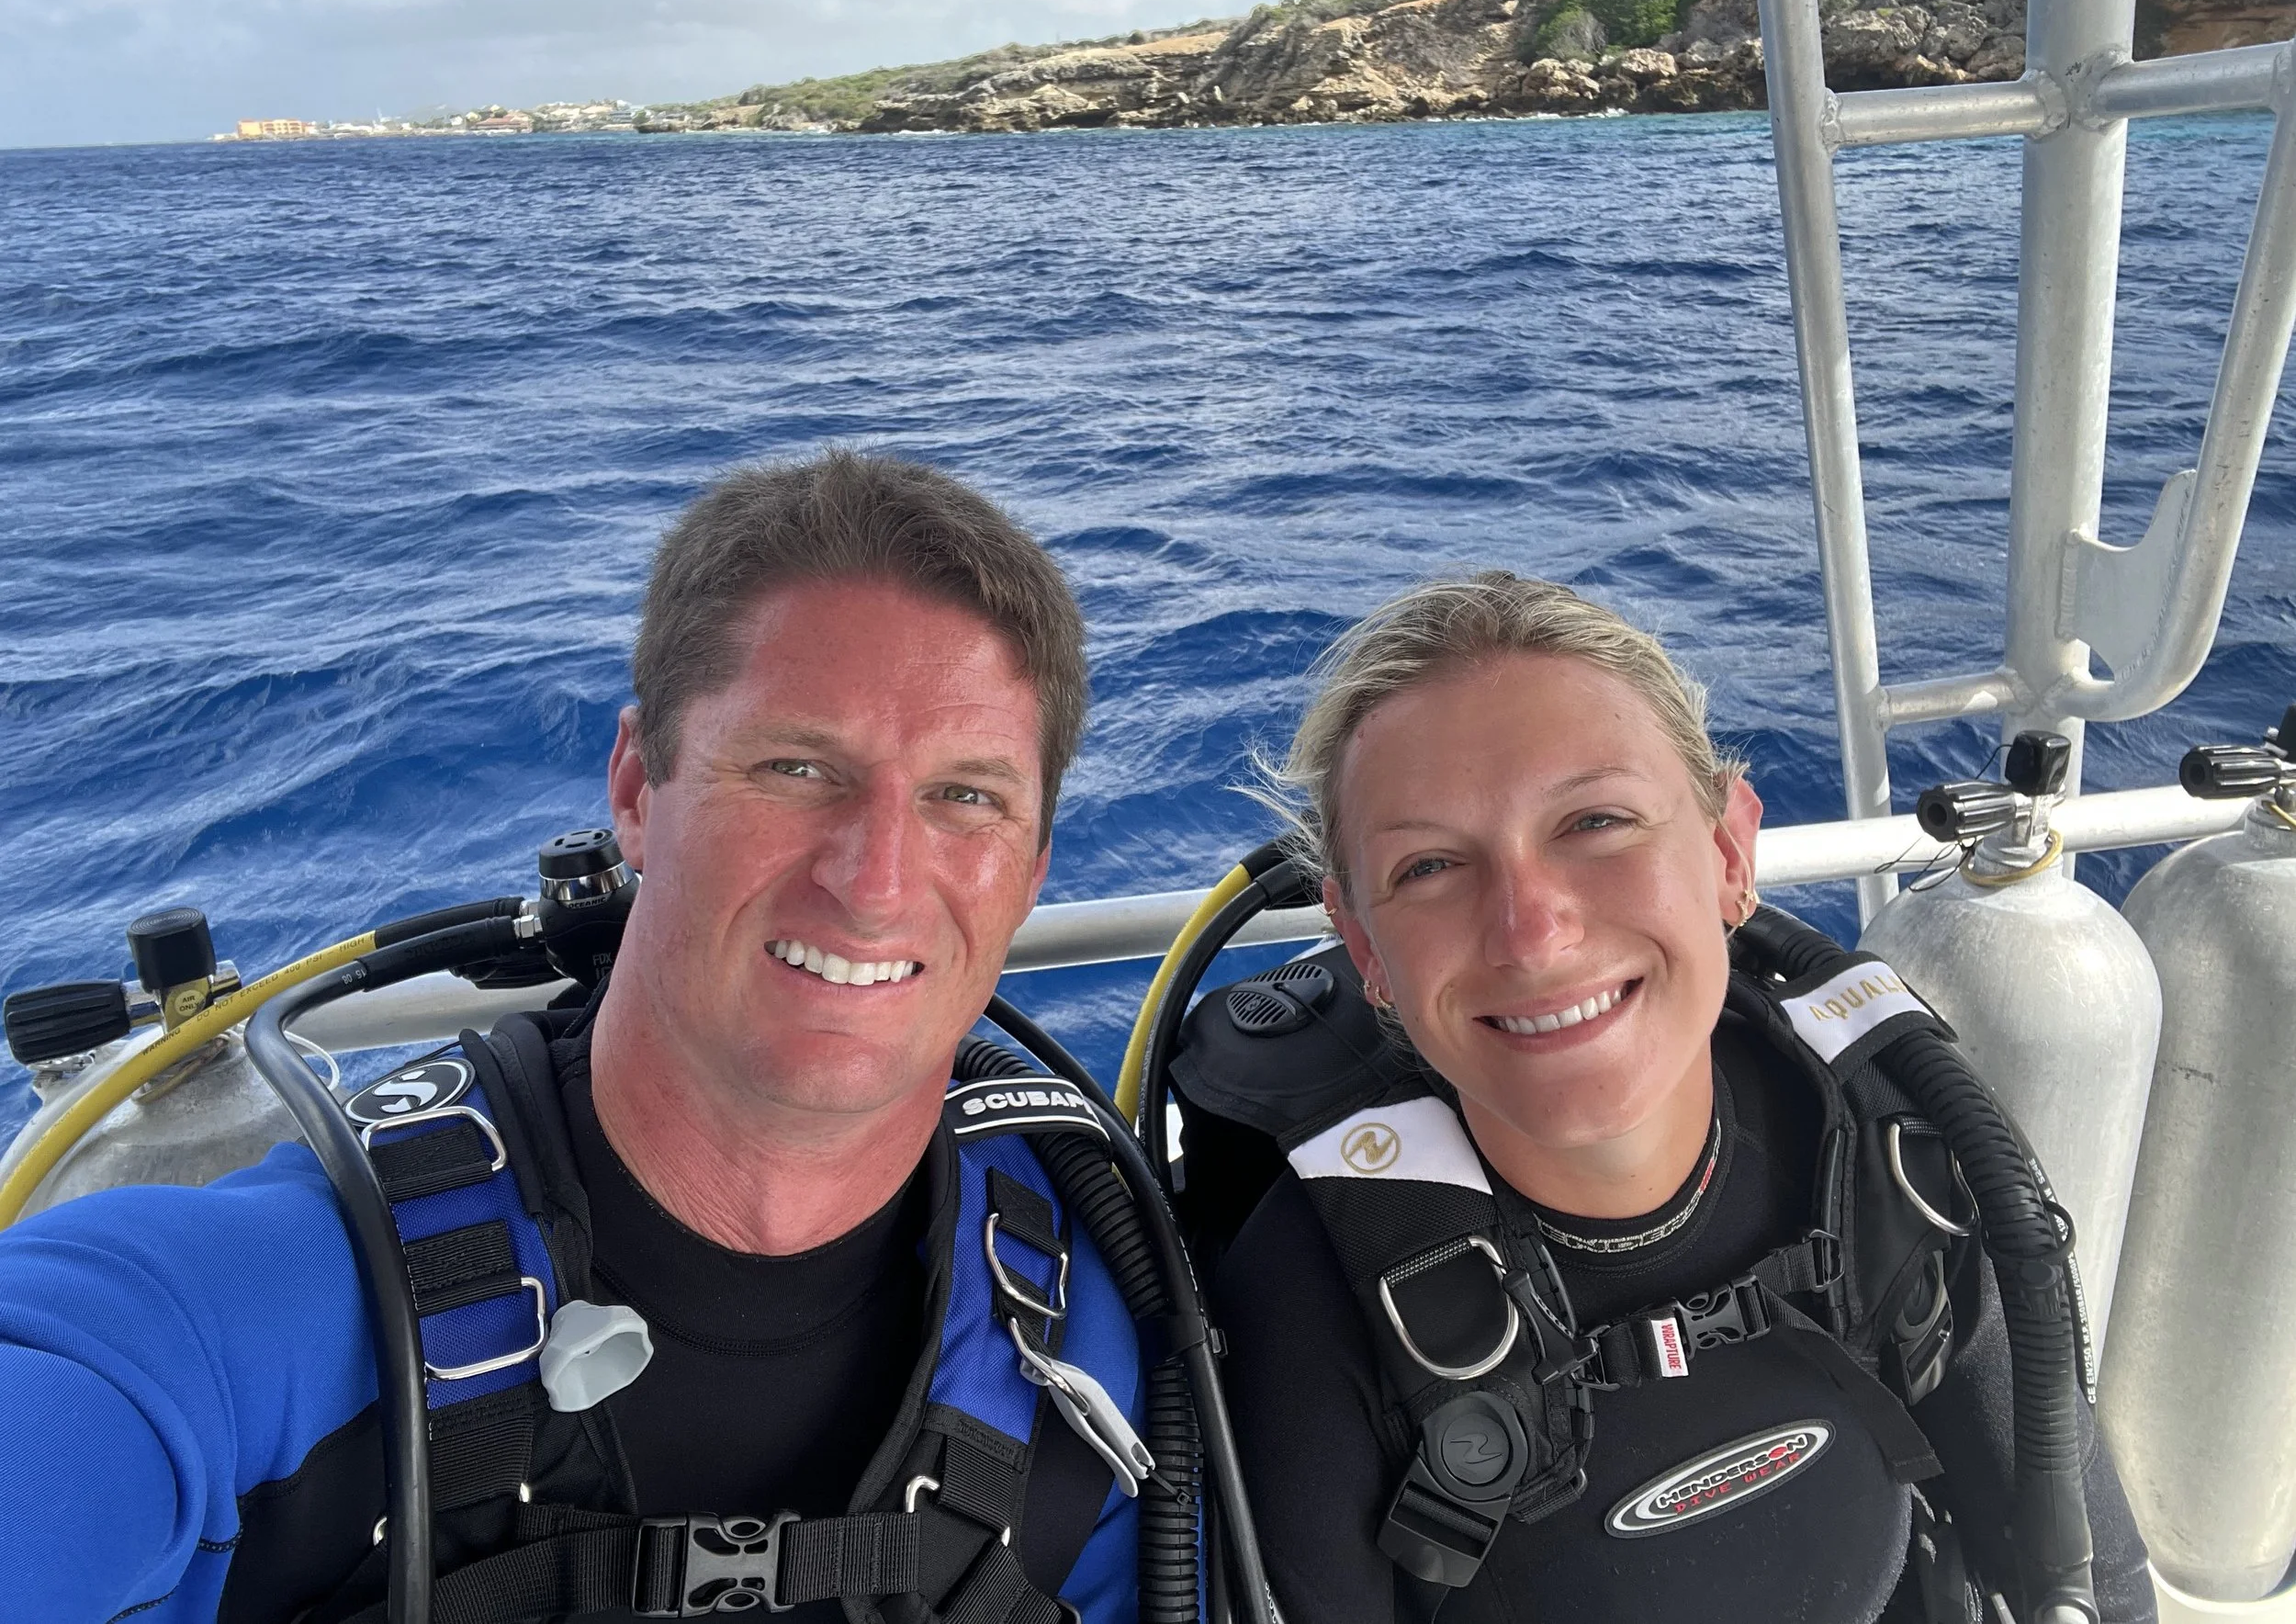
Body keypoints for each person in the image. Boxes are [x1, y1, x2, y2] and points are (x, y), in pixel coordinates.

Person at [0, 450, 1158, 1623]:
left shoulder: (1101, 1344)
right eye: (796, 767)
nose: (875, 882)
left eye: (966, 796)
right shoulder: (250, 1316)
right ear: (637, 788)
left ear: (1033, 868)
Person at [1169, 571, 2155, 1624]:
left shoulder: (1887, 1145)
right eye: (1428, 867)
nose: (1530, 930)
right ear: (1363, 946)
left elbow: (2088, 1569)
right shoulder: (1314, 1295)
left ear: (1729, 854)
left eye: (1595, 820)